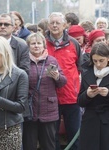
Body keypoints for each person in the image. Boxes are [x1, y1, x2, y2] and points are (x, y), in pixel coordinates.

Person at [23, 32, 67, 150]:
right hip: (30, 110)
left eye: (39, 43)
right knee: (29, 145)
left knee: (49, 145)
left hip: (48, 110)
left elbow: (62, 82)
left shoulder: (51, 61)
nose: (36, 46)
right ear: (28, 46)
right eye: (33, 43)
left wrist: (57, 76)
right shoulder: (24, 61)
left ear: (44, 45)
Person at [46, 12, 82, 150]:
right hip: (50, 97)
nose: (55, 25)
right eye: (52, 23)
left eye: (58, 23)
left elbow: (79, 67)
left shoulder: (73, 43)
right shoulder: (42, 43)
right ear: (48, 25)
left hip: (71, 96)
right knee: (51, 135)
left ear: (64, 25)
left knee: (74, 134)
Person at [78, 42, 109, 150]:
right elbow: (80, 101)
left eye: (101, 61)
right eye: (95, 61)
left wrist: (108, 94)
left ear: (108, 58)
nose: (98, 64)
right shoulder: (87, 71)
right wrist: (87, 95)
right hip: (90, 121)